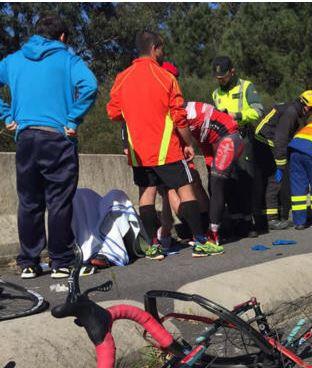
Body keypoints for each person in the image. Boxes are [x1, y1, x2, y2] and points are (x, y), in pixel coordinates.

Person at [107, 30, 222, 259]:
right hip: (166, 148)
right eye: (162, 49)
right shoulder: (165, 77)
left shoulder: (122, 78)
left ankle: (153, 246)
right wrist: (188, 143)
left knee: (146, 194)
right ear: (155, 48)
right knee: (186, 190)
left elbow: (113, 112)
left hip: (139, 152)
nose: (162, 54)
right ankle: (200, 242)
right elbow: (179, 117)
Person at [0, 15, 98, 279]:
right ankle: (61, 261)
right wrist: (72, 118)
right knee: (58, 201)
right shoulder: (68, 60)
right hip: (57, 137)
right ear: (63, 37)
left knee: (29, 201)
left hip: (26, 138)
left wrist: (7, 116)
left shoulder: (13, 60)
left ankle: (29, 262)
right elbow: (90, 85)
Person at [211, 56, 264, 237]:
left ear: (232, 72)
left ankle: (249, 222)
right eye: (218, 78)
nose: (221, 81)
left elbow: (258, 111)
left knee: (245, 180)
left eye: (224, 77)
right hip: (223, 141)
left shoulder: (246, 87)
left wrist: (236, 115)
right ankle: (236, 220)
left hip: (242, 138)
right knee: (228, 181)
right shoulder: (216, 93)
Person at [254, 90, 312, 230]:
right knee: (275, 180)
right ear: (308, 107)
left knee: (273, 180)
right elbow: (281, 139)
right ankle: (271, 219)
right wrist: (281, 163)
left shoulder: (294, 109)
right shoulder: (291, 113)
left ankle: (276, 214)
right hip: (265, 144)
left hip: (264, 143)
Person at [184, 101, 244, 246]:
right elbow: (204, 142)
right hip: (215, 142)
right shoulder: (186, 114)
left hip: (230, 138)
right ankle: (222, 226)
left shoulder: (180, 116)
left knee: (217, 183)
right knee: (214, 183)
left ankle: (213, 234)